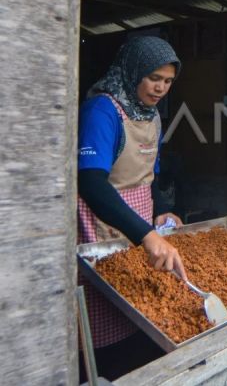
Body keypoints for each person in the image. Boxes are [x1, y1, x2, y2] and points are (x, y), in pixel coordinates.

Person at [77, 36, 187, 379]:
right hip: (102, 228)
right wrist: (146, 235)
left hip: (142, 230)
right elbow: (91, 184)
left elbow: (148, 177)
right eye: (154, 78)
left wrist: (163, 212)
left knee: (140, 311)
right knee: (103, 325)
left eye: (168, 81)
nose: (161, 88)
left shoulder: (151, 116)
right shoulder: (102, 110)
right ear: (133, 71)